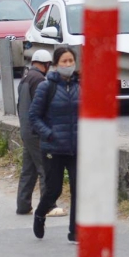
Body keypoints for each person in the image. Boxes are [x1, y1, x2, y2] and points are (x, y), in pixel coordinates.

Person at [29, 45, 80, 242]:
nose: (68, 65)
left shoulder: (79, 86)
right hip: (53, 148)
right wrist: (49, 135)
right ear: (56, 65)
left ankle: (74, 231)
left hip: (75, 148)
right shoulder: (46, 87)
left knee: (79, 189)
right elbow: (34, 116)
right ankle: (40, 214)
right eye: (64, 61)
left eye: (71, 61)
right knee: (54, 189)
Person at [15, 48, 54, 215]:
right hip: (36, 132)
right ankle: (48, 206)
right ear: (47, 64)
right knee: (45, 168)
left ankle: (23, 206)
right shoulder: (39, 80)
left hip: (26, 130)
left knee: (28, 170)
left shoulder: (25, 78)